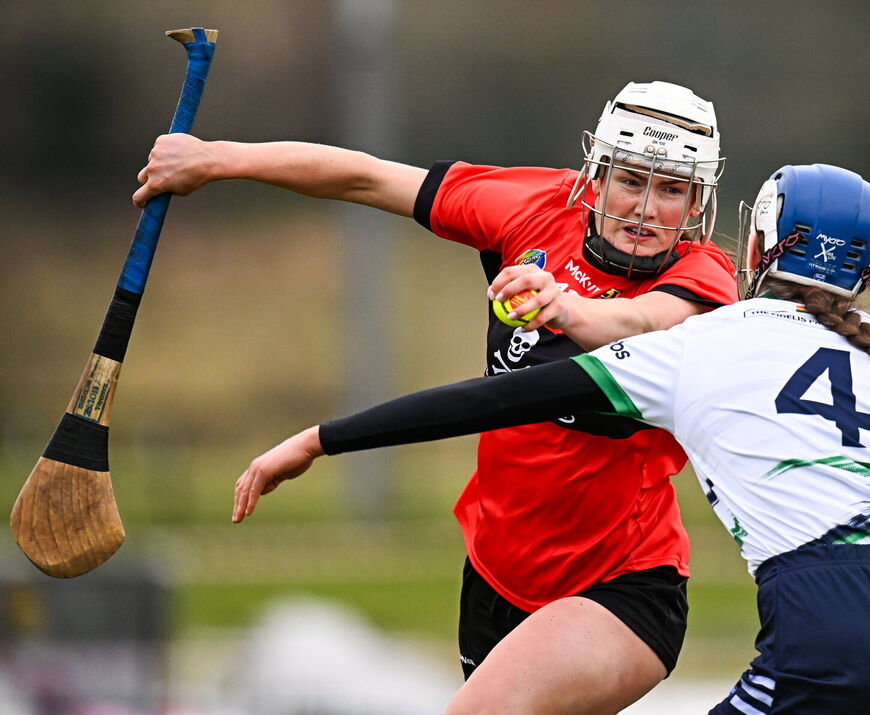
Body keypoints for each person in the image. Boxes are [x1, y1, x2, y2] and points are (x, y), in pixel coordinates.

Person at [230, 163, 870, 714]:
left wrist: (319, 438)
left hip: (823, 625)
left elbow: (496, 400)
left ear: (759, 248)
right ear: (869, 275)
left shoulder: (700, 347)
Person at [135, 81, 738, 713]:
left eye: (672, 189)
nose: (646, 208)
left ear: (699, 200)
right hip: (495, 573)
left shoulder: (701, 279)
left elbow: (639, 325)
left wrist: (566, 306)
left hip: (623, 585)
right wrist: (216, 160)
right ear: (598, 175)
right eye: (632, 181)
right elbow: (366, 179)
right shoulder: (535, 207)